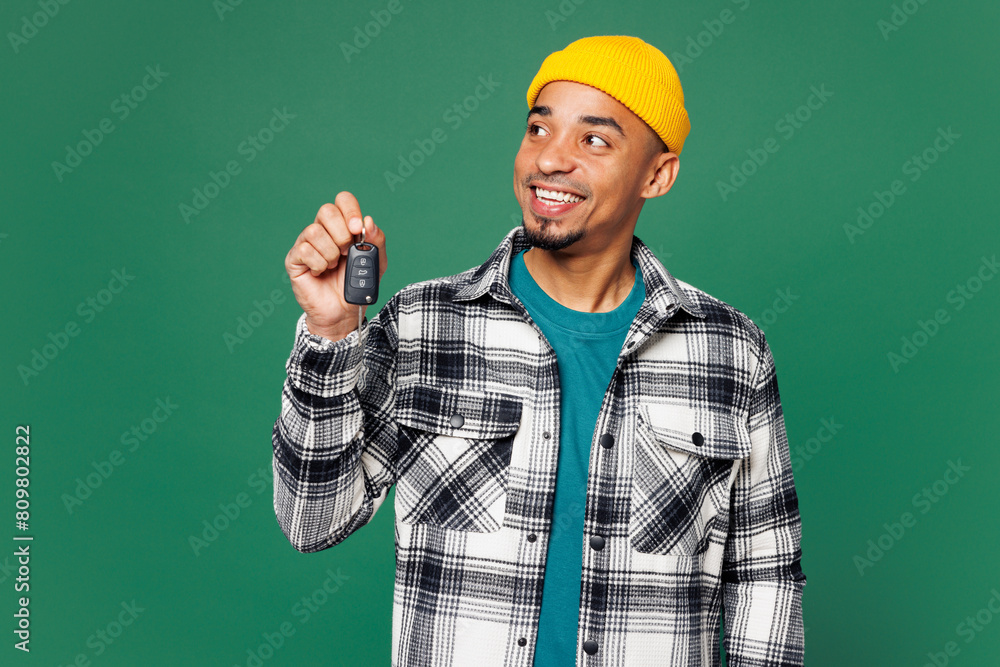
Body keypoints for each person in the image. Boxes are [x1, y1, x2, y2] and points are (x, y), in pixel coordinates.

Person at [272, 35, 806, 666]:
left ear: (657, 175)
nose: (551, 160)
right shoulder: (425, 325)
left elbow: (766, 577)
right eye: (538, 129)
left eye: (594, 140)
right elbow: (312, 520)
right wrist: (332, 333)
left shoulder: (730, 351)